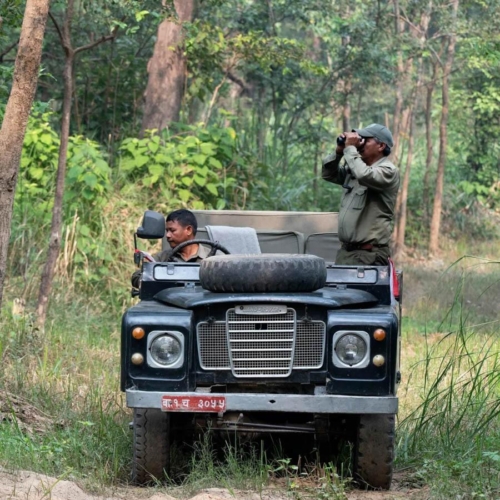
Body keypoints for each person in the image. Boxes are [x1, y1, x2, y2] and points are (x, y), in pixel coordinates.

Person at [322, 123, 400, 266]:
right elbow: (328, 174)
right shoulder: (355, 169)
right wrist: (339, 152)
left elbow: (364, 175)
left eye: (365, 139)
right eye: (359, 139)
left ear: (381, 146)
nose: (360, 143)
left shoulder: (388, 171)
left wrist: (350, 148)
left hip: (369, 256)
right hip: (346, 253)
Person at [131, 209, 209, 288]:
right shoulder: (163, 257)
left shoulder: (213, 257)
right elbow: (137, 276)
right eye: (167, 231)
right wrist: (148, 281)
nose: (167, 235)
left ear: (188, 230)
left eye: (172, 230)